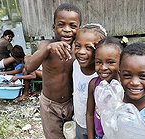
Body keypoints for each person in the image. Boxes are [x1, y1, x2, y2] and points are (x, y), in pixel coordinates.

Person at [25, 3, 82, 139]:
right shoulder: (45, 46)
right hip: (49, 105)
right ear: (53, 27)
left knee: (73, 135)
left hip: (72, 103)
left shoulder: (78, 50)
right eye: (61, 25)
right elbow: (29, 67)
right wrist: (48, 49)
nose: (67, 30)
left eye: (73, 26)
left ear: (79, 29)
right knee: (53, 136)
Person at [73, 23, 107, 139]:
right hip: (80, 122)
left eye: (88, 48)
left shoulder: (104, 75)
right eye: (77, 46)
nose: (81, 52)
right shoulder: (75, 65)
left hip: (99, 128)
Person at [86, 36, 124, 139]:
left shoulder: (124, 87)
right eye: (98, 62)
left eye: (110, 62)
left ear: (121, 63)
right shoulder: (93, 84)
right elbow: (89, 114)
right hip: (99, 135)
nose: (103, 68)